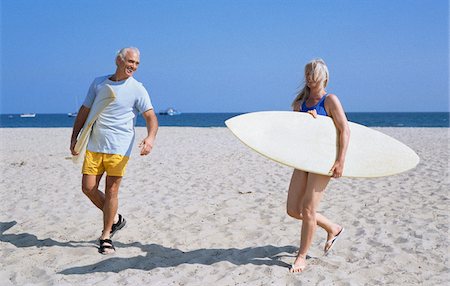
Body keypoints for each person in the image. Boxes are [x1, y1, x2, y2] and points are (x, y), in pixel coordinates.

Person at [70, 47, 158, 255]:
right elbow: (84, 111)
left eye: (136, 63)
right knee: (88, 187)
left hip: (120, 147)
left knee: (112, 191)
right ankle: (116, 219)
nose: (133, 66)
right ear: (118, 60)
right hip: (95, 145)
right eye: (130, 61)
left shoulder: (137, 89)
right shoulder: (99, 83)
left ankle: (106, 235)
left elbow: (151, 117)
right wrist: (74, 137)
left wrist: (150, 138)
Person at [287, 58, 350, 272]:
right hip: (303, 160)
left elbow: (345, 130)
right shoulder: (299, 105)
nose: (308, 77)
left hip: (322, 161)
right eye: (306, 73)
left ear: (323, 77)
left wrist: (340, 160)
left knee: (308, 209)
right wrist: (306, 121)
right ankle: (333, 227)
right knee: (293, 210)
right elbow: (294, 135)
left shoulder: (330, 100)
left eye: (312, 73)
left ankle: (301, 256)